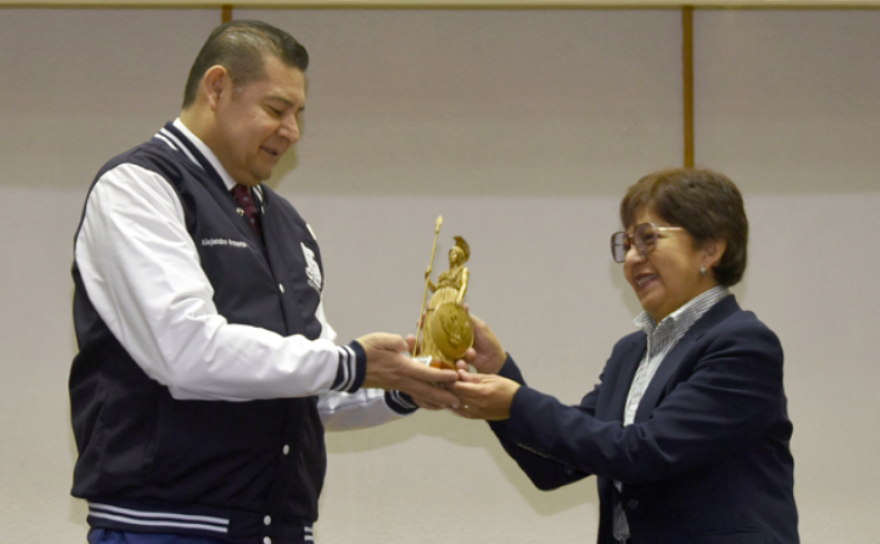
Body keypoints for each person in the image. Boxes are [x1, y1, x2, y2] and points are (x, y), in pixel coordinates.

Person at [69, 20, 459, 544]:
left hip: (278, 528)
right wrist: (353, 362)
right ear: (217, 88)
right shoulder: (140, 188)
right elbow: (186, 353)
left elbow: (309, 388)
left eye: (299, 114)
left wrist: (403, 386)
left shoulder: (287, 224)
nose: (293, 131)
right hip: (166, 527)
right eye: (276, 110)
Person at [452, 168, 799, 544]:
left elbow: (645, 452)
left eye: (649, 239)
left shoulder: (742, 344)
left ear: (710, 249)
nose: (632, 258)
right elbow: (553, 468)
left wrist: (516, 402)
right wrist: (497, 370)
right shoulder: (631, 352)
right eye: (628, 244)